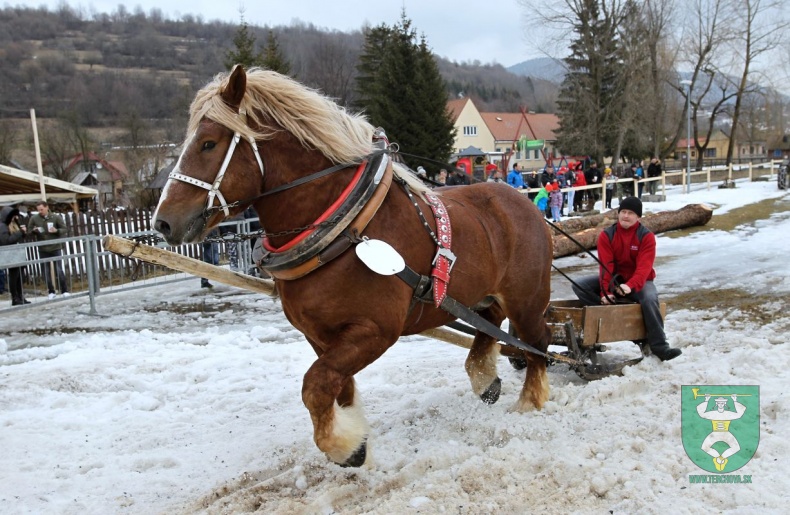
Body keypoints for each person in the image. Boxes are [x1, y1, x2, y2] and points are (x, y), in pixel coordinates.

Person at [571, 197, 682, 361]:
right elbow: (606, 267)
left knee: (650, 298)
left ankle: (660, 346)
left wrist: (630, 286)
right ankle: (609, 314)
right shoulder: (607, 235)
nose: (625, 216)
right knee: (579, 285)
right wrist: (605, 292)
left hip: (640, 281)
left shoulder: (646, 237)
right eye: (623, 212)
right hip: (614, 279)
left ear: (638, 217)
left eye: (630, 213)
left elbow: (644, 268)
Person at [27, 201, 69, 299]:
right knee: (45, 271)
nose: (40, 211)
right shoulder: (34, 218)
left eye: (41, 209)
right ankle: (51, 291)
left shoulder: (55, 217)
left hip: (55, 247)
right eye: (38, 210)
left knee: (58, 270)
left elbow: (65, 229)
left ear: (47, 208)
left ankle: (64, 290)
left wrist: (57, 231)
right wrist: (34, 231)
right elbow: (28, 231)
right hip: (43, 249)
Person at [0, 206, 30, 305]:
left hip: (18, 253)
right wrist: (19, 233)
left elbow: (18, 237)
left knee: (20, 276)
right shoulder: (2, 226)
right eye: (12, 216)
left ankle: (21, 296)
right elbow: (6, 241)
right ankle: (15, 298)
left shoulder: (13, 224)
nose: (14, 217)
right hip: (11, 255)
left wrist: (23, 232)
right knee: (14, 276)